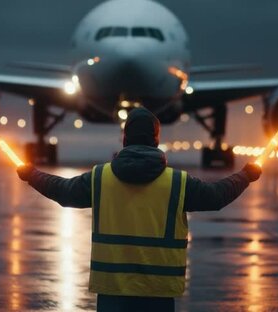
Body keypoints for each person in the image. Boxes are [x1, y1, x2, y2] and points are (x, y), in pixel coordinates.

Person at [17, 107, 262, 311]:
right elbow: (216, 196)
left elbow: (63, 191)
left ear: (124, 139)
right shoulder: (178, 182)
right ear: (156, 140)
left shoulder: (100, 178)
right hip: (158, 291)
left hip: (113, 290)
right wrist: (245, 175)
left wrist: (32, 174)